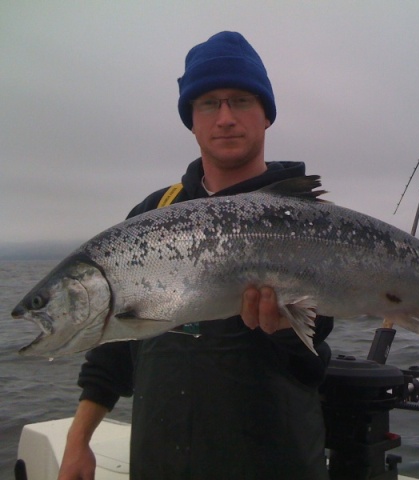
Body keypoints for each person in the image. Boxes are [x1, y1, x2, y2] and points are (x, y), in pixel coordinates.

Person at [58, 31, 333, 480]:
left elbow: (310, 359)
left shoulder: (307, 220)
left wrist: (285, 328)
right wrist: (78, 442)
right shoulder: (153, 214)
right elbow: (110, 347)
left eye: (241, 100)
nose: (225, 117)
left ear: (267, 116)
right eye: (209, 103)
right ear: (191, 120)